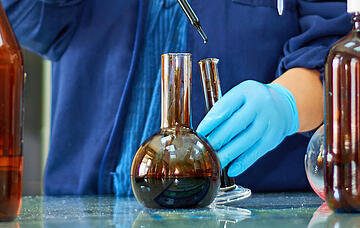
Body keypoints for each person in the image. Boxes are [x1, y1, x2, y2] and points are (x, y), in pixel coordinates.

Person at [3, 0, 351, 195]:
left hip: (247, 207)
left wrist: (285, 102)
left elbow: (335, 48)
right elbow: (32, 22)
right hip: (90, 203)